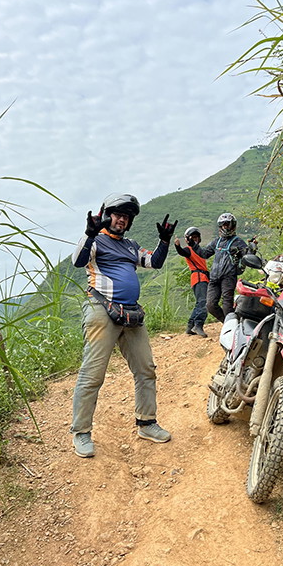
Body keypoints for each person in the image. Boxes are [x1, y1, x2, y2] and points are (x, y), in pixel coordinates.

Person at [70, 193, 177, 458]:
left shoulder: (130, 245)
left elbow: (154, 262)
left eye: (126, 217)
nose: (121, 219)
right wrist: (89, 234)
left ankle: (147, 423)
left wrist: (164, 241)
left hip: (131, 313)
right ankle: (81, 432)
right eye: (118, 214)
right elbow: (78, 261)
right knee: (93, 374)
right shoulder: (97, 241)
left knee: (146, 368)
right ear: (107, 215)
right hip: (101, 310)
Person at [193, 213, 257, 323]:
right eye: (223, 225)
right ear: (220, 226)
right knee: (210, 305)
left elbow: (248, 256)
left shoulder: (238, 242)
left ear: (233, 226)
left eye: (228, 224)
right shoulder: (216, 242)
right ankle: (229, 323)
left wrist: (252, 248)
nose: (225, 227)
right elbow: (205, 254)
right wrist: (193, 245)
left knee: (227, 305)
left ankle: (231, 326)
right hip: (214, 278)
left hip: (229, 276)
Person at [174, 227, 209, 338]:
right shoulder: (189, 249)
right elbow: (182, 252)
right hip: (198, 277)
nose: (195, 239)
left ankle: (190, 326)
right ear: (188, 239)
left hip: (203, 277)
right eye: (192, 237)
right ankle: (198, 325)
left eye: (196, 237)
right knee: (203, 302)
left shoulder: (200, 251)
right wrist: (177, 246)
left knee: (200, 302)